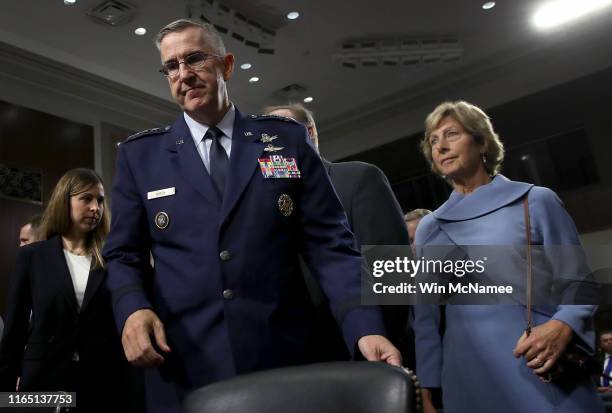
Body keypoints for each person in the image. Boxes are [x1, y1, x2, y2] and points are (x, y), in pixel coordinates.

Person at [103, 19, 400, 413]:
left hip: (283, 358)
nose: (184, 74)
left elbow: (331, 247)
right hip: (185, 365)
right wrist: (133, 309)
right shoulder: (141, 157)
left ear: (226, 65)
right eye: (171, 66)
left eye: (194, 59)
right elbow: (123, 254)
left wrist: (364, 327)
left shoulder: (286, 141)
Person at [412, 101, 604, 413]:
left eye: (452, 134)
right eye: (434, 141)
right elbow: (425, 319)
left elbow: (581, 284)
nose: (442, 146)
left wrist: (563, 325)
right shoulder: (429, 227)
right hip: (466, 374)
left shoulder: (535, 201)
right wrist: (429, 388)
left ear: (481, 142)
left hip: (537, 362)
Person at [265, 103, 414, 365]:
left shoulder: (358, 178)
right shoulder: (264, 205)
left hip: (361, 353)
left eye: (283, 131)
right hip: (296, 361)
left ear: (309, 133)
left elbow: (392, 273)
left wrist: (378, 340)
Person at [0, 168, 128, 412]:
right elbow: (14, 332)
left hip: (100, 383)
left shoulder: (113, 259)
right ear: (64, 202)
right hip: (43, 383)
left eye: (100, 200)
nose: (95, 208)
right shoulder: (33, 257)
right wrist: (5, 396)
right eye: (86, 199)